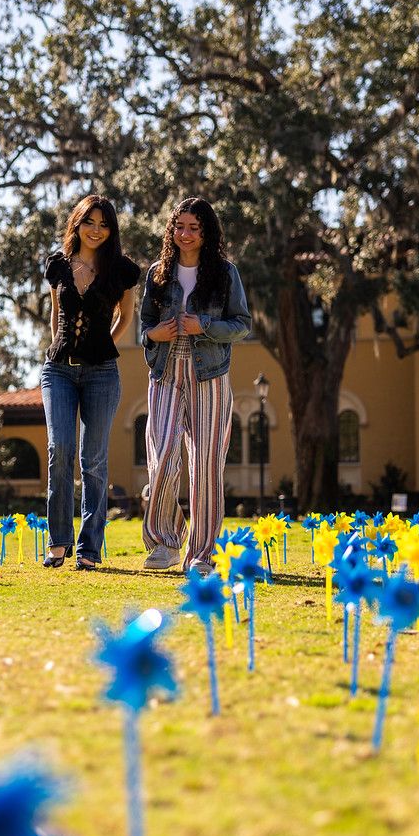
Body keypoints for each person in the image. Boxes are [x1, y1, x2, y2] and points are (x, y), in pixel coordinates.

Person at [138, 197, 252, 574]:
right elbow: (145, 329)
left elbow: (242, 324)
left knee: (206, 466)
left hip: (210, 376)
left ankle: (202, 554)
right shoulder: (158, 272)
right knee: (164, 455)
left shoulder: (225, 274)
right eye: (179, 227)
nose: (185, 234)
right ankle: (166, 542)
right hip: (166, 372)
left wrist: (204, 325)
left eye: (193, 228)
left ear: (206, 233)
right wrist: (155, 333)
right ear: (171, 230)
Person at [39, 194, 141, 570]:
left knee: (93, 460)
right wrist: (59, 346)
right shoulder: (58, 265)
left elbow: (126, 317)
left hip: (102, 374)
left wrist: (101, 347)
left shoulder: (122, 270)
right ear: (77, 224)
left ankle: (89, 549)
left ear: (111, 230)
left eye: (104, 224)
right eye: (89, 222)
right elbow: (56, 316)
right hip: (58, 371)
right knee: (59, 450)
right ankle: (58, 542)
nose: (96, 230)